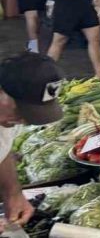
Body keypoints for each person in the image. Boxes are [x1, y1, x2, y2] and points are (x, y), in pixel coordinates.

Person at [0, 53, 66, 226]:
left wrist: (13, 193)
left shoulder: (7, 116)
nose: (22, 121)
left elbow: (2, 149)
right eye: (20, 111)